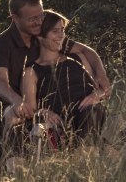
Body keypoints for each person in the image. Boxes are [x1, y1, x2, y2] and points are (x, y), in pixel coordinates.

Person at [0, 0, 110, 164]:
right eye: (32, 19)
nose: (39, 21)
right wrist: (17, 101)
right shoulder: (3, 43)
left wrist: (101, 75)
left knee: (86, 113)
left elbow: (85, 50)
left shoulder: (43, 34)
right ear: (15, 18)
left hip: (43, 104)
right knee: (12, 115)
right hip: (16, 101)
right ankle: (15, 168)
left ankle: (81, 158)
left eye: (40, 15)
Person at [22, 10, 107, 150]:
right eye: (55, 31)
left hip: (90, 115)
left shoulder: (77, 58)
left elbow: (102, 90)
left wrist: (97, 94)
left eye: (62, 30)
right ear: (40, 36)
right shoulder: (31, 71)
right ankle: (81, 151)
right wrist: (43, 112)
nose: (61, 35)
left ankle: (81, 152)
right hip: (61, 121)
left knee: (93, 110)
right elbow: (31, 110)